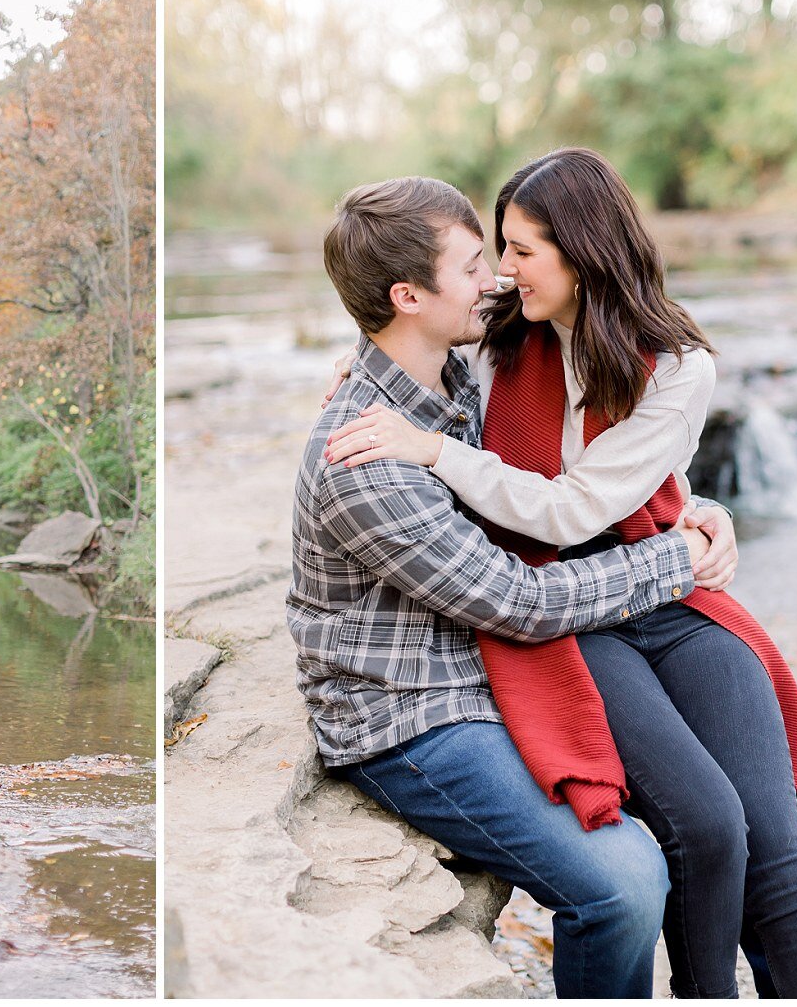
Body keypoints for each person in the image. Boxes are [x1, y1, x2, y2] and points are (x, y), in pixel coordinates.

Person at [321, 150, 797, 998]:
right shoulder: (502, 333)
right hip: (571, 612)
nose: (502, 269)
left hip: (665, 590)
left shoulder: (678, 367)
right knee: (707, 823)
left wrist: (702, 514)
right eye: (496, 249)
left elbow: (590, 500)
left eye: (522, 249)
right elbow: (407, 306)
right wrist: (368, 364)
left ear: (583, 250)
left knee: (777, 844)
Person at [288, 174, 719, 998]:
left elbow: (575, 466)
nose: (495, 281)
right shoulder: (366, 460)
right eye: (474, 263)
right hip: (410, 712)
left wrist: (697, 504)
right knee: (626, 881)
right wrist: (677, 556)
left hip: (482, 663)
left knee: (703, 815)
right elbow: (525, 602)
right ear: (409, 295)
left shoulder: (449, 379)